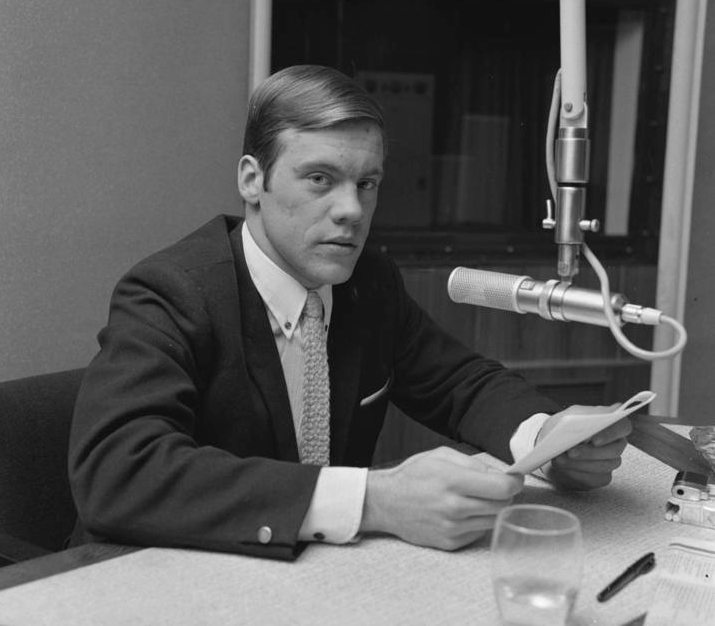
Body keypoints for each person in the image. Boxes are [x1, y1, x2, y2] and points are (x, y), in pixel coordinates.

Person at [68, 64, 631, 560]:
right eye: (320, 179)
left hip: (304, 578)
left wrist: (548, 440)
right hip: (146, 576)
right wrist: (373, 500)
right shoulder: (172, 291)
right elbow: (120, 473)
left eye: (367, 183)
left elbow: (460, 383)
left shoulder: (368, 283)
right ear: (252, 180)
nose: (352, 210)